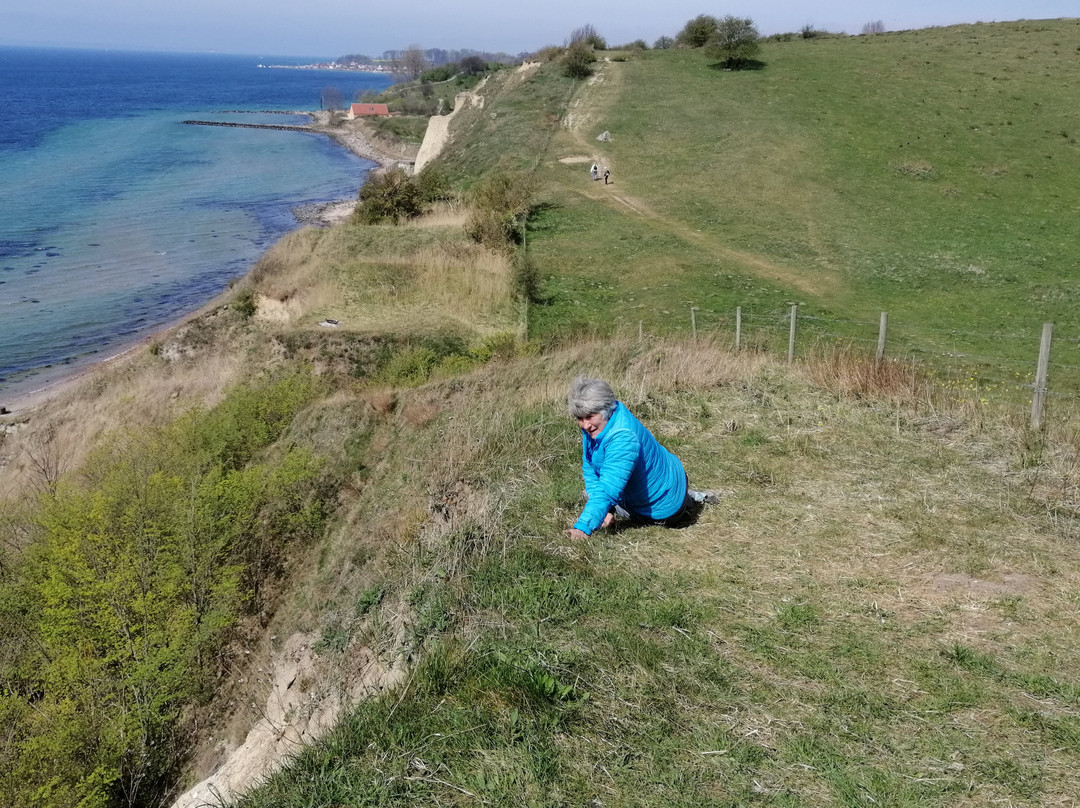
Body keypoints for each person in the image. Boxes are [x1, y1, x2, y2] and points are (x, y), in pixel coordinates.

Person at [564, 377, 716, 539]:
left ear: (605, 409)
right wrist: (606, 511)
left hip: (664, 510)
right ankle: (688, 496)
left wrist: (583, 528)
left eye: (590, 416)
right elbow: (590, 468)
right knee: (595, 496)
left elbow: (608, 489)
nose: (586, 425)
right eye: (580, 418)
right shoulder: (607, 419)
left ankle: (687, 500)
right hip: (671, 474)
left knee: (596, 496)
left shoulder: (623, 437)